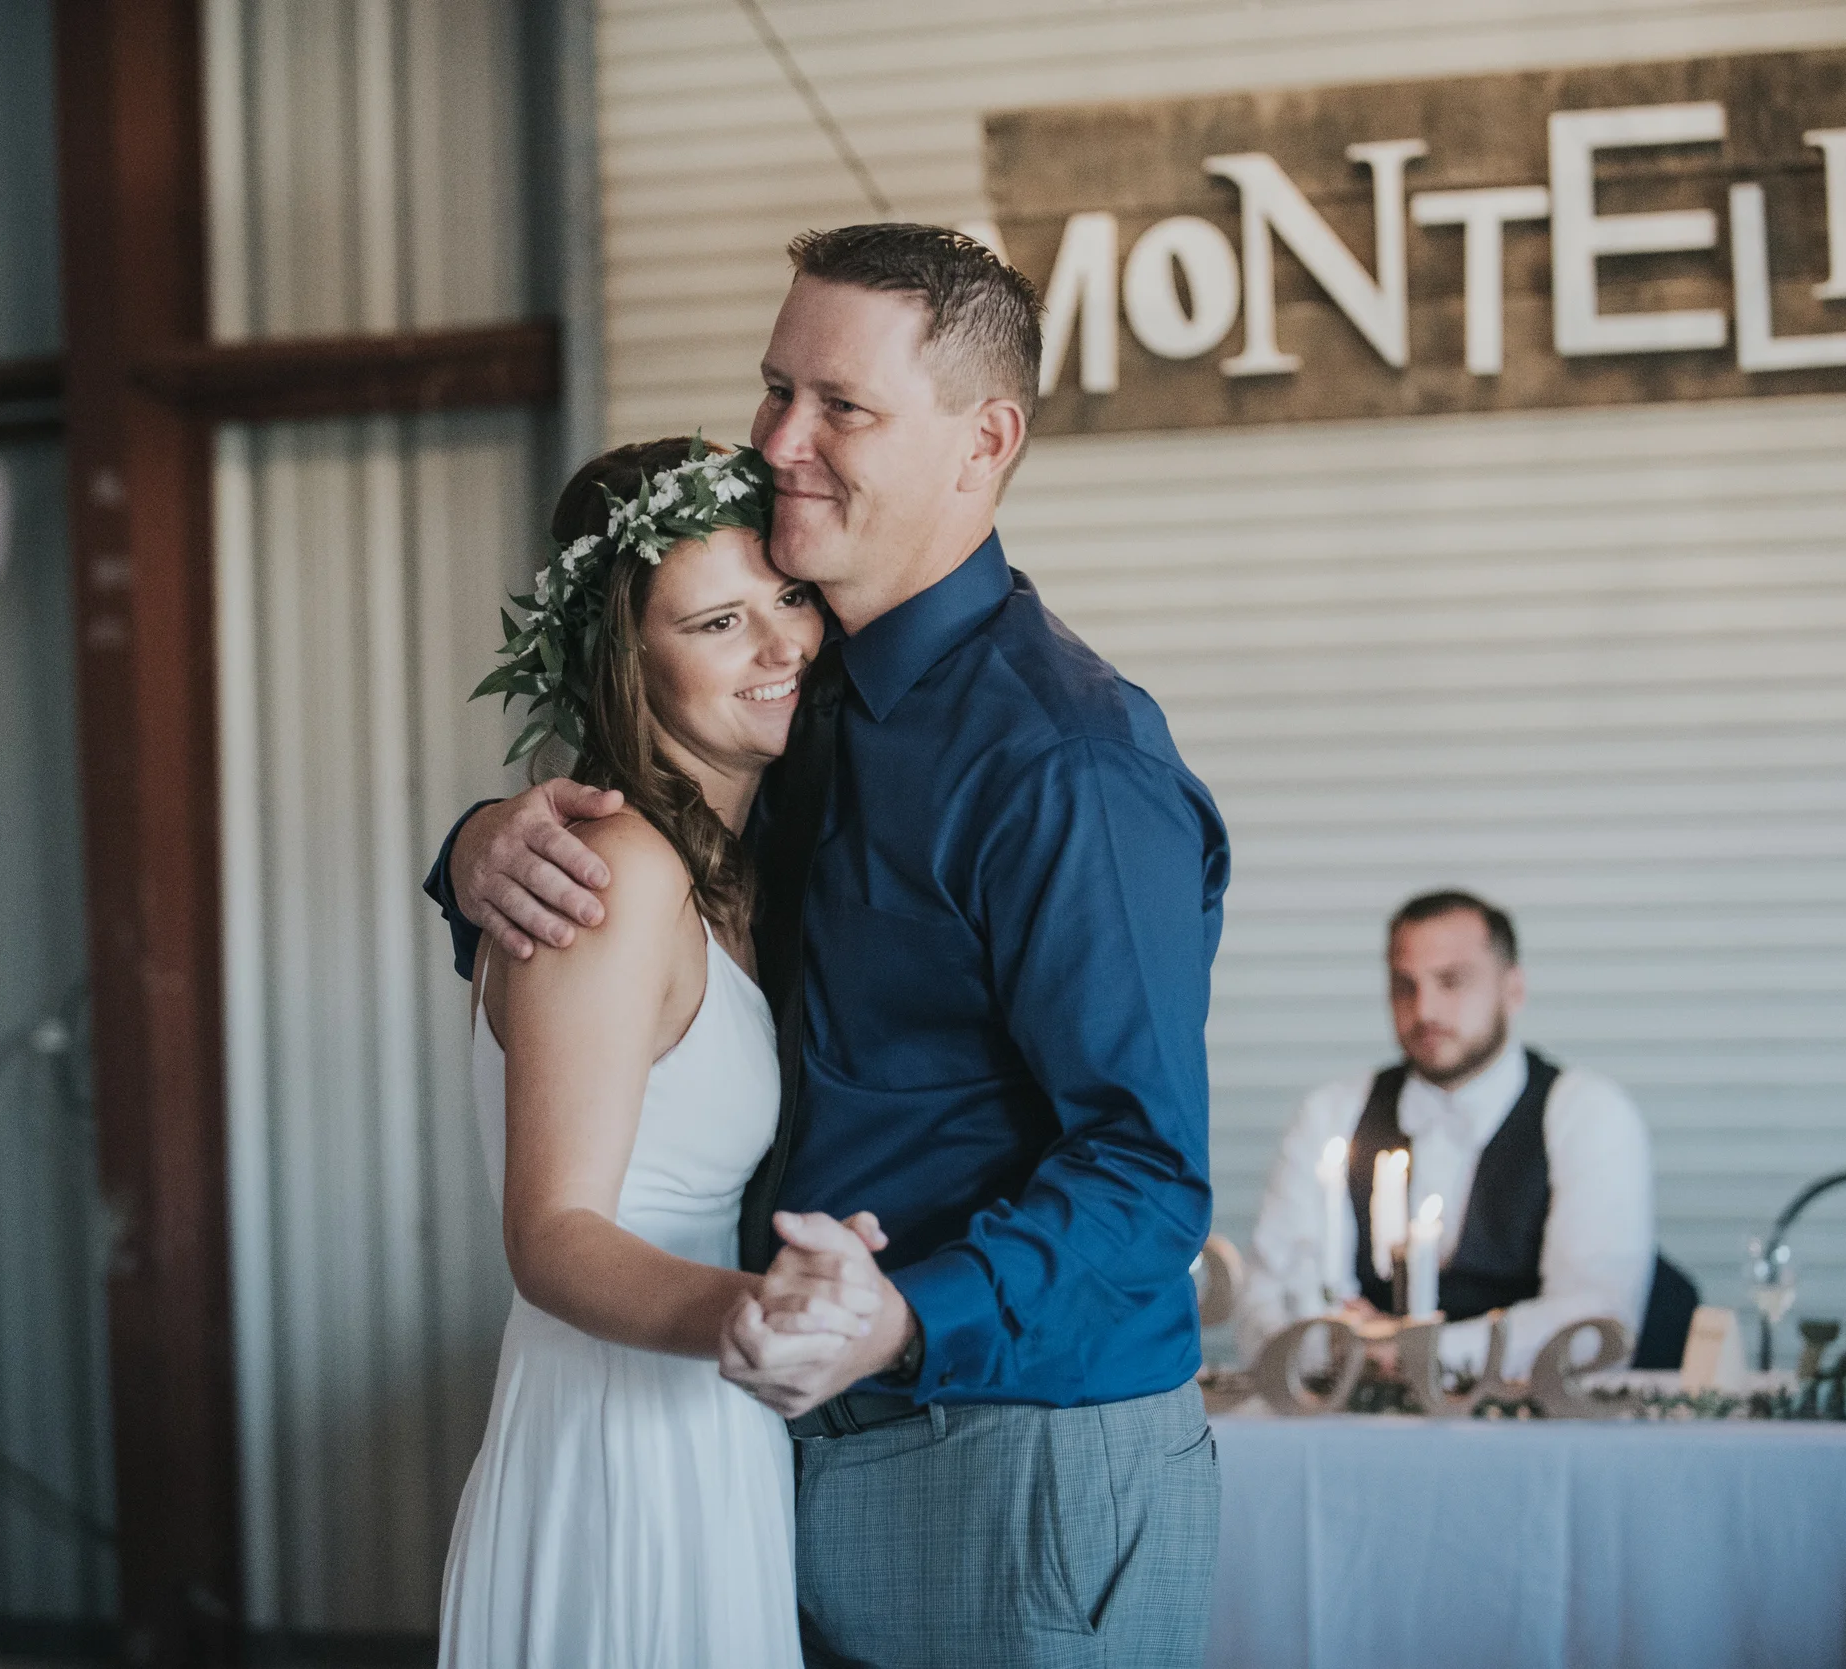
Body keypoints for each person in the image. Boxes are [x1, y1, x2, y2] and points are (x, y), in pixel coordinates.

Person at [430, 225, 1228, 1666]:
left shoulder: (1065, 764)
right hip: (786, 1436)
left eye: (840, 406)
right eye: (774, 388)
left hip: (1012, 1450)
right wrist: (478, 848)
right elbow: (648, 893)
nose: (782, 441)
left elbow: (1149, 1177)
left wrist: (901, 1321)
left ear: (985, 441)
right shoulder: (808, 701)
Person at [437, 436, 863, 1668]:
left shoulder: (723, 866)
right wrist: (759, 1312)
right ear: (627, 663)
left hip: (707, 1424)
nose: (782, 645)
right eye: (719, 620)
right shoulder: (613, 874)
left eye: (786, 596)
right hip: (623, 1443)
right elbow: (553, 1233)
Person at [1235, 890, 1659, 1379]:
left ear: (1513, 990)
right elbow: (1263, 1309)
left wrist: (1417, 1355)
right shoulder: (1331, 1114)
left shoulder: (1588, 1114)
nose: (1425, 1009)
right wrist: (1334, 1350)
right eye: (1404, 985)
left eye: (1452, 982)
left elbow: (1594, 1321)